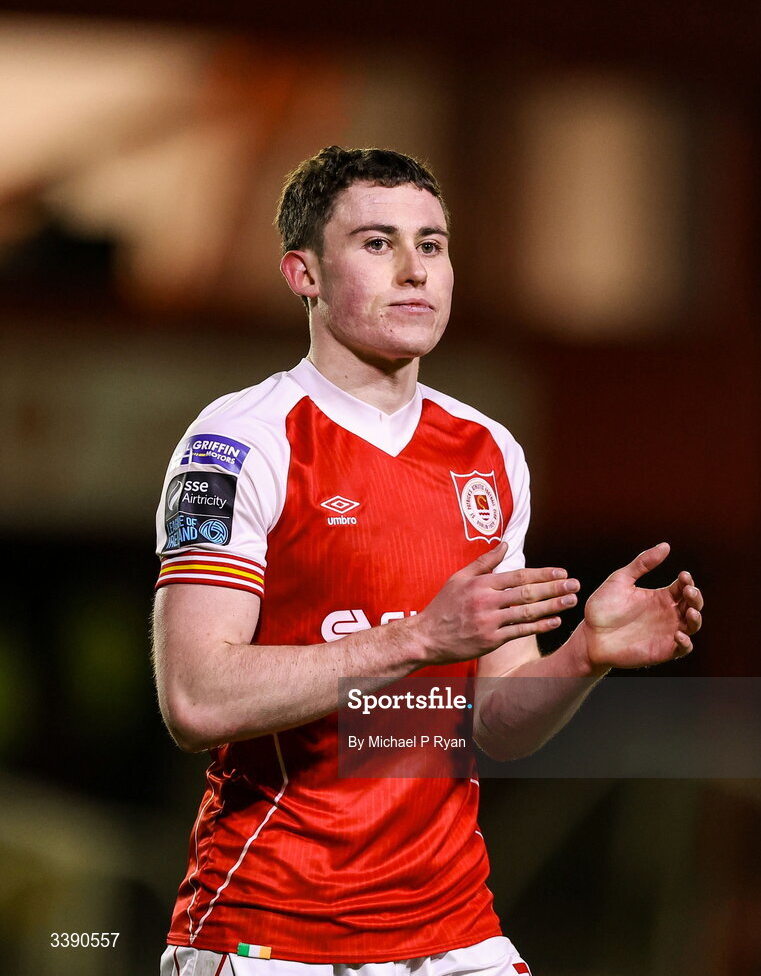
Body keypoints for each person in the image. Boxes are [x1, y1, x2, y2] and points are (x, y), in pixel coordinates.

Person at [153, 146, 703, 976]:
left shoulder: (489, 450)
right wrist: (417, 637)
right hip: (275, 930)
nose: (415, 270)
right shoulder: (237, 442)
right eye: (378, 243)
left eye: (432, 244)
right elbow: (194, 698)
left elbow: (495, 721)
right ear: (304, 274)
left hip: (454, 929)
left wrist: (585, 656)